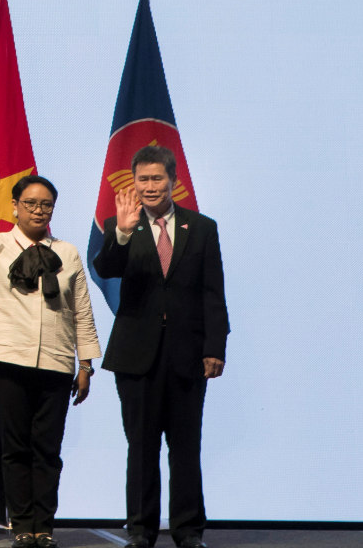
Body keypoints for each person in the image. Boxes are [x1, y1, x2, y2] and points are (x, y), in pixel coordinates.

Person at [0, 170, 100, 548]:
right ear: (15, 207)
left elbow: (81, 311)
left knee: (48, 450)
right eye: (30, 203)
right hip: (6, 360)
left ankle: (44, 527)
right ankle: (21, 525)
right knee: (15, 446)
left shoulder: (66, 252)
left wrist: (85, 364)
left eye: (46, 204)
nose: (38, 210)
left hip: (55, 362)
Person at [93, 144, 228, 548]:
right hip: (136, 355)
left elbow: (213, 292)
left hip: (188, 354)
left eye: (157, 179)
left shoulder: (201, 227)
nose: (150, 186)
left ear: (173, 181)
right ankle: (140, 531)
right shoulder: (122, 225)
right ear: (133, 182)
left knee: (186, 446)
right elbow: (105, 269)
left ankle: (188, 531)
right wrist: (120, 229)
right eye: (143, 179)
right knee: (142, 446)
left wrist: (215, 347)